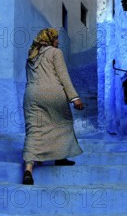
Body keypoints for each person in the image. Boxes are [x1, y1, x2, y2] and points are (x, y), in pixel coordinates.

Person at [22, 28, 84, 185]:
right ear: (49, 40)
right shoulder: (56, 53)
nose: (58, 41)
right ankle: (60, 157)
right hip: (53, 93)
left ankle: (28, 169)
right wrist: (74, 97)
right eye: (56, 39)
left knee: (34, 130)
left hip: (31, 95)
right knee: (62, 123)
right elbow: (64, 77)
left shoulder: (31, 55)